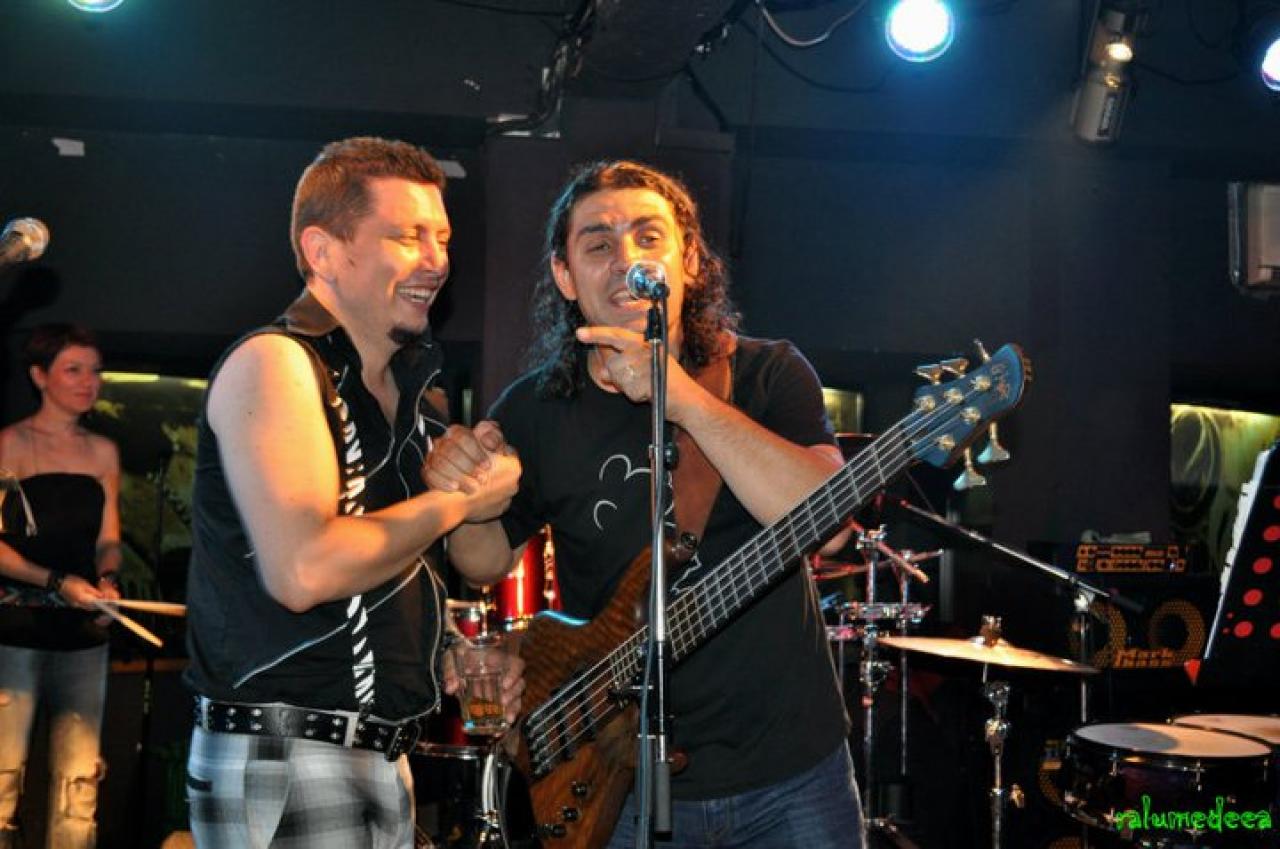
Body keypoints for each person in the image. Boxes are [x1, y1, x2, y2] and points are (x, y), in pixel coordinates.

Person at [433, 160, 864, 847]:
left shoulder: (768, 373)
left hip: (790, 772)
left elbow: (826, 515)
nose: (626, 258)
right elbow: (481, 562)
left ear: (687, 260)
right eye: (598, 244)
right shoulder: (536, 408)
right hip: (618, 774)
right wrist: (471, 498)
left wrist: (681, 395)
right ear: (566, 276)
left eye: (648, 236)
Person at [183, 136, 523, 849]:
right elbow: (305, 569)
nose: (436, 259)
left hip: (377, 753)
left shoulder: (413, 395)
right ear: (324, 251)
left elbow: (483, 560)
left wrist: (482, 485)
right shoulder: (276, 363)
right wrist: (459, 500)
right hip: (287, 750)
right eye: (407, 236)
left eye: (442, 238)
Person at [0, 322, 123, 849]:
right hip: (15, 630)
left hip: (83, 635)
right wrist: (56, 582)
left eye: (95, 370)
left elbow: (109, 539)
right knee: (3, 776)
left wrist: (107, 581)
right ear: (39, 375)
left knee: (79, 786)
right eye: (73, 369)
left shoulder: (103, 452)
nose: (88, 381)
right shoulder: (10, 444)